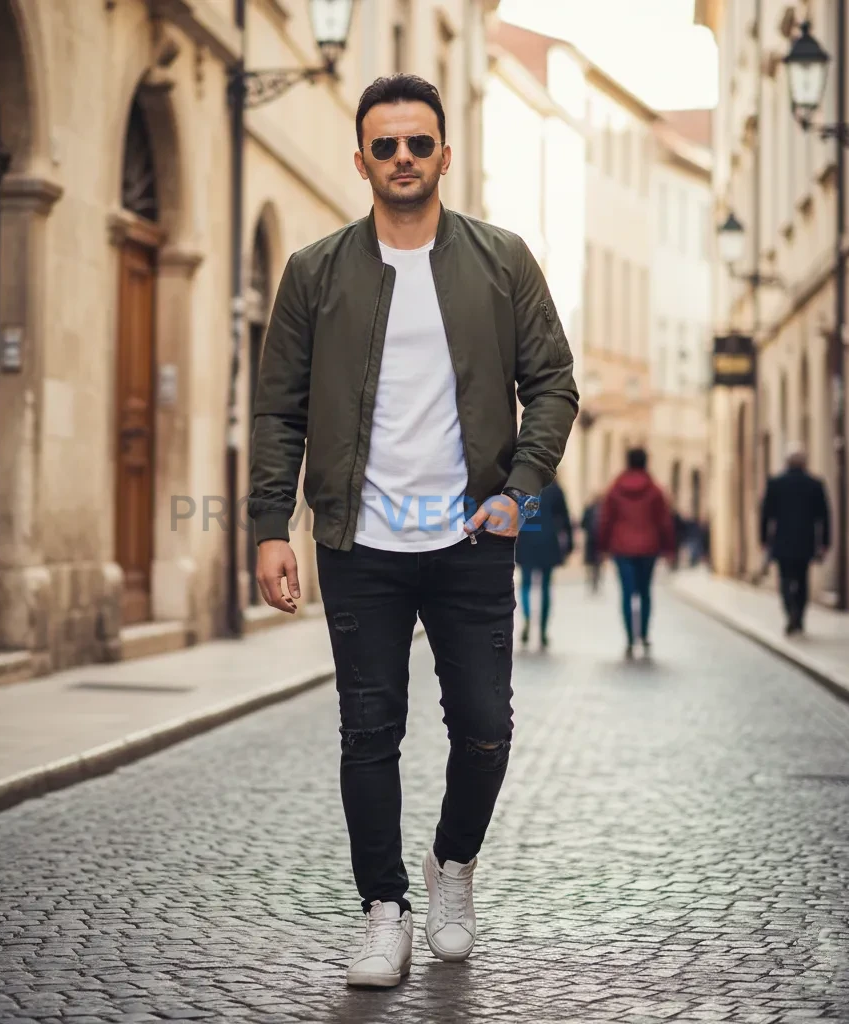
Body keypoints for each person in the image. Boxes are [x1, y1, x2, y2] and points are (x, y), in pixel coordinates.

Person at [247, 73, 578, 988]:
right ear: (361, 160)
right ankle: (383, 911)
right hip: (360, 544)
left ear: (443, 153)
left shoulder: (502, 261)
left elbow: (553, 383)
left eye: (417, 144)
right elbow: (277, 412)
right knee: (368, 730)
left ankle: (452, 868)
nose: (402, 159)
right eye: (384, 146)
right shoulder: (314, 271)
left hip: (473, 539)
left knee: (484, 729)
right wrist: (271, 524)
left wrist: (520, 487)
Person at [597, 447, 676, 659]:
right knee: (644, 593)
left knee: (627, 593)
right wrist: (669, 548)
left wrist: (602, 546)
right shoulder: (655, 490)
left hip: (621, 548)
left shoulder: (615, 489)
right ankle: (644, 634)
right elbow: (664, 522)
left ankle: (630, 638)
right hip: (649, 547)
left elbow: (605, 520)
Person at [759, 442, 830, 635]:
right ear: (805, 463)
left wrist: (764, 540)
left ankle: (790, 611)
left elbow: (766, 515)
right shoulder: (815, 484)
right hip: (806, 542)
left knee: (784, 579)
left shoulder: (775, 483)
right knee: (802, 579)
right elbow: (824, 516)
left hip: (782, 541)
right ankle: (798, 616)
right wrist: (824, 543)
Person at [514, 475, 573, 648]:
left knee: (526, 584)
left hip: (527, 540)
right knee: (546, 587)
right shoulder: (555, 489)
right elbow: (565, 517)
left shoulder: (525, 487)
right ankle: (543, 630)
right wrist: (569, 543)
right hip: (548, 541)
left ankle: (527, 619)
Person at [580, 494, 603, 592]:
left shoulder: (590, 509)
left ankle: (593, 579)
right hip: (596, 540)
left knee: (593, 562)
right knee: (595, 562)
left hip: (593, 539)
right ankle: (594, 579)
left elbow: (583, 524)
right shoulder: (601, 510)